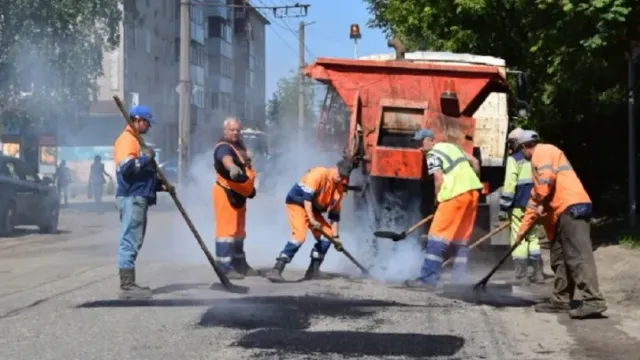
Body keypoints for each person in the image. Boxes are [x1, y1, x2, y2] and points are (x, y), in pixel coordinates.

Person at [514, 130, 607, 319]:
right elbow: (534, 203)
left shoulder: (543, 151)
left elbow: (545, 182)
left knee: (577, 256)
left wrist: (540, 201)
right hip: (562, 212)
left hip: (572, 207)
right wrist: (521, 233)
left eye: (519, 150)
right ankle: (561, 299)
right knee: (559, 257)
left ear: (524, 146)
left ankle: (593, 301)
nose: (520, 155)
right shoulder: (538, 166)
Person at [405, 129, 483, 290]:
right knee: (460, 240)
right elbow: (475, 161)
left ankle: (428, 279)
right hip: (473, 194)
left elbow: (438, 178)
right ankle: (458, 279)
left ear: (430, 140)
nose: (420, 148)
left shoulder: (432, 154)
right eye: (417, 144)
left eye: (421, 143)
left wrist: (437, 200)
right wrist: (473, 182)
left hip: (454, 195)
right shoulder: (451, 147)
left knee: (437, 238)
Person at [113, 105, 174, 300]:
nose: (149, 127)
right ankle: (128, 286)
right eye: (147, 123)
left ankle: (129, 283)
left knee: (134, 239)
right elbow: (128, 169)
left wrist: (160, 186)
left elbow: (142, 177)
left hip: (137, 195)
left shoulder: (136, 141)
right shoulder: (127, 140)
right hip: (132, 197)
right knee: (130, 239)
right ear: (138, 120)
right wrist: (146, 159)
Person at [266, 160, 352, 283]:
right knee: (299, 237)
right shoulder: (319, 174)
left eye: (343, 176)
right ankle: (277, 269)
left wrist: (336, 237)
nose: (340, 178)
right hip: (297, 203)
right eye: (340, 174)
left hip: (313, 209)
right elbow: (307, 198)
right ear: (334, 168)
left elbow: (334, 216)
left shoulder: (339, 190)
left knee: (327, 236)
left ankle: (313, 271)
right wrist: (311, 219)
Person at [212, 117, 258, 280]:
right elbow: (226, 158)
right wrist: (231, 167)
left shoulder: (238, 146)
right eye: (232, 130)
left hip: (239, 193)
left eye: (238, 130)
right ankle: (225, 267)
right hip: (226, 192)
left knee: (239, 232)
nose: (235, 133)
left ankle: (240, 264)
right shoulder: (223, 147)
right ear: (225, 131)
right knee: (226, 232)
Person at [499, 128, 544, 285]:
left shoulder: (514, 159)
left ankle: (521, 276)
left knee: (519, 239)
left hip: (519, 206)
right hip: (536, 205)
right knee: (533, 238)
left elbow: (510, 185)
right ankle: (538, 274)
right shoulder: (537, 158)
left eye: (511, 143)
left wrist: (504, 207)